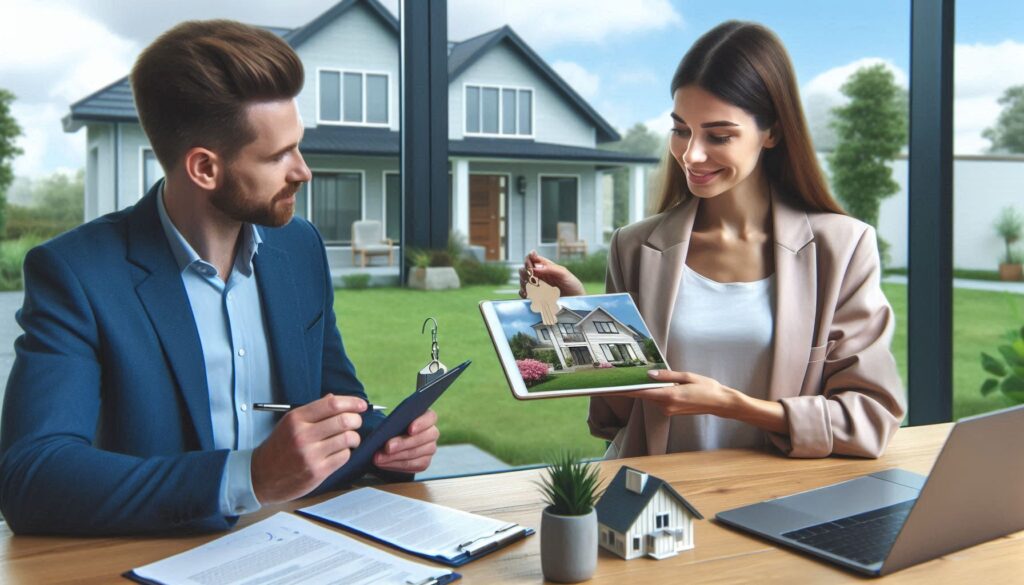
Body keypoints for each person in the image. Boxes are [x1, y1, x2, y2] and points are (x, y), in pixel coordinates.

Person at [0, 20, 439, 535]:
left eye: (297, 146)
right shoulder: (77, 274)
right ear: (205, 168)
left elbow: (336, 404)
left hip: (308, 548)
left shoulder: (300, 248)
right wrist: (248, 477)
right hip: (153, 559)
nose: (303, 171)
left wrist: (385, 442)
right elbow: (32, 478)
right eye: (279, 156)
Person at [520, 21, 904, 460]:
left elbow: (870, 419)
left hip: (775, 501)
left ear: (772, 132)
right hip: (652, 498)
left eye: (718, 136)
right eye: (681, 129)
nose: (691, 154)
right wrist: (576, 316)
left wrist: (734, 406)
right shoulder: (635, 247)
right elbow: (619, 419)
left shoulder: (843, 248)